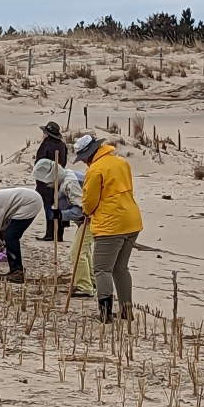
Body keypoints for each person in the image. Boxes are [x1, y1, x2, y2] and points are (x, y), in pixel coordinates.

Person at [75, 134, 143, 323]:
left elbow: (89, 201)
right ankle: (126, 311)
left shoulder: (96, 169)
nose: (84, 163)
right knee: (120, 268)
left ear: (89, 154)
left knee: (101, 269)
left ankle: (105, 313)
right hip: (131, 220)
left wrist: (86, 211)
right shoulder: (121, 163)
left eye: (84, 158)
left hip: (110, 224)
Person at [31, 158, 95, 297]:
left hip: (92, 219)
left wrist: (60, 215)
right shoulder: (68, 176)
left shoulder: (70, 183)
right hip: (89, 220)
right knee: (84, 250)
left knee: (77, 252)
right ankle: (92, 281)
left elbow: (83, 210)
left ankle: (84, 286)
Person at [35, 121, 70, 241]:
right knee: (57, 205)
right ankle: (59, 233)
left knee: (49, 206)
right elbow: (64, 161)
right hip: (59, 178)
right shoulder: (62, 145)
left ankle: (50, 233)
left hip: (46, 181)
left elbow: (39, 162)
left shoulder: (46, 144)